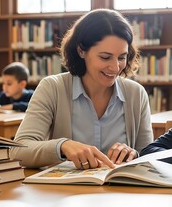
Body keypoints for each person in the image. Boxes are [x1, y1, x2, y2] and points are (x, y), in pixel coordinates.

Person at [9, 9, 153, 169]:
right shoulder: (52, 88)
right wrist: (63, 146)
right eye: (105, 57)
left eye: (122, 57)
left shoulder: (136, 94)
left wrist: (134, 154)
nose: (115, 67)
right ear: (81, 51)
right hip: (64, 193)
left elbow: (149, 156)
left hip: (119, 192)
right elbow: (18, 150)